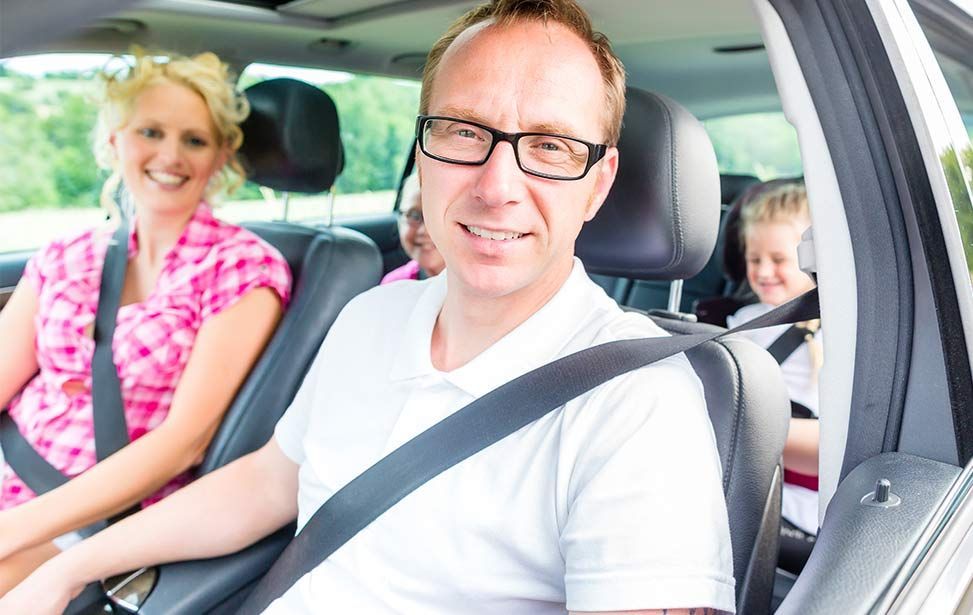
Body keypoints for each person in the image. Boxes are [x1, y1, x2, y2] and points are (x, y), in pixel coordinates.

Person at [1, 2, 734, 613]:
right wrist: (68, 567)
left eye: (548, 145)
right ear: (423, 152)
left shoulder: (638, 399)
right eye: (463, 131)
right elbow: (266, 482)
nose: (496, 184)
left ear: (599, 183)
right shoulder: (370, 318)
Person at [0, 49, 291, 591]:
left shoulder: (241, 268)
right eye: (151, 132)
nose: (170, 155)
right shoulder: (66, 253)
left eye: (195, 140)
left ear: (222, 155)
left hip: (90, 515)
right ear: (115, 142)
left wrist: (12, 529)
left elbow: (184, 442)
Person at [725, 182, 821, 571]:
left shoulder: (837, 333)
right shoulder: (741, 322)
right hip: (745, 483)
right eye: (754, 258)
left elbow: (830, 446)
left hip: (801, 507)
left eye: (778, 259)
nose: (763, 272)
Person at [381, 173, 446, 283]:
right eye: (414, 216)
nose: (424, 230)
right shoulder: (393, 285)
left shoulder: (480, 289)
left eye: (436, 216)